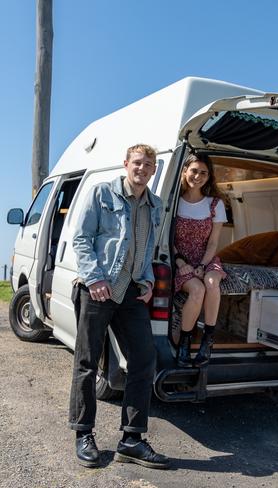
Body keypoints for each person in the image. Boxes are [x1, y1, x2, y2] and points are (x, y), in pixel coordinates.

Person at [69, 144, 169, 469]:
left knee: (144, 359)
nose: (142, 168)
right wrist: (94, 278)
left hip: (130, 291)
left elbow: (149, 246)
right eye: (137, 162)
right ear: (126, 164)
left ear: (154, 170)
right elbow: (81, 238)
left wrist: (150, 280)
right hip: (98, 287)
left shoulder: (156, 204)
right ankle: (84, 433)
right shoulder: (102, 194)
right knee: (87, 361)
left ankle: (132, 440)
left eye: (148, 164)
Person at [173, 153, 227, 367]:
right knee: (197, 290)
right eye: (194, 170)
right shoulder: (173, 202)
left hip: (205, 258)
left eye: (203, 172)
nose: (198, 176)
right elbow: (167, 238)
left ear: (209, 176)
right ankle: (185, 343)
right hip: (180, 258)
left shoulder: (215, 204)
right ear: (185, 171)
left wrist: (203, 266)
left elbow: (213, 242)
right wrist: (180, 262)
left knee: (212, 283)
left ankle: (208, 340)